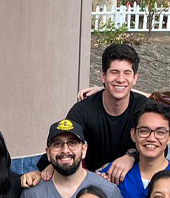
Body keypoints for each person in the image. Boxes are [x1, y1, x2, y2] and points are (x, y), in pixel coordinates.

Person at [24, 44, 151, 186]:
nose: (120, 79)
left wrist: (132, 155)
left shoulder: (145, 109)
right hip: (89, 184)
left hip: (133, 180)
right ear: (103, 76)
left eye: (127, 73)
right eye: (114, 72)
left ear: (135, 78)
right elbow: (64, 142)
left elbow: (160, 145)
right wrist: (52, 165)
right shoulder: (83, 110)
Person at [18, 120, 128, 198]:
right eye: (57, 144)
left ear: (84, 149)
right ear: (48, 153)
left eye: (72, 143)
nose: (65, 150)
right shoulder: (32, 194)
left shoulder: (108, 191)